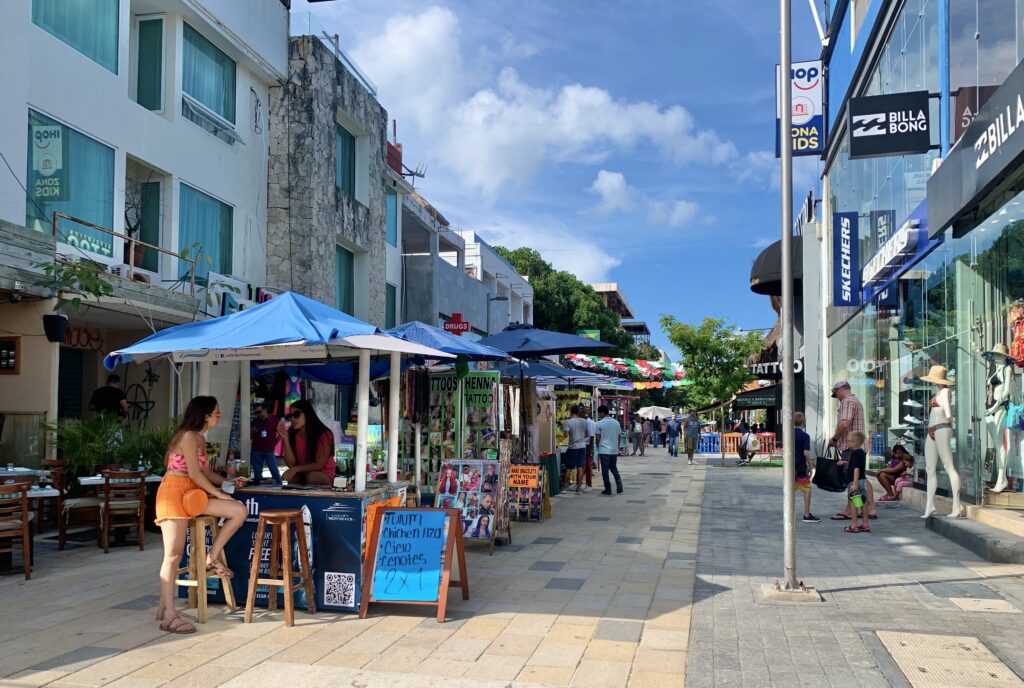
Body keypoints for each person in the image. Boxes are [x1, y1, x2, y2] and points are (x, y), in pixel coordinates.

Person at [155, 396, 247, 634]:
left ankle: (212, 557)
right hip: (174, 493)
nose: (219, 415)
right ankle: (169, 615)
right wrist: (219, 493)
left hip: (193, 495)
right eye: (216, 412)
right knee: (173, 555)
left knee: (238, 511)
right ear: (205, 414)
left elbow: (204, 472)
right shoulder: (187, 435)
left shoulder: (199, 438)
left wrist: (227, 482)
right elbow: (195, 474)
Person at [828, 380, 877, 521]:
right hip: (859, 446)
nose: (836, 397)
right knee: (862, 479)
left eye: (836, 394)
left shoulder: (847, 402)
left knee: (852, 481)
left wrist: (835, 439)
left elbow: (844, 423)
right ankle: (870, 509)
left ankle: (851, 510)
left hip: (851, 446)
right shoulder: (856, 401)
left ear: (841, 390)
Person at [278, 400, 336, 485]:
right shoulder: (292, 434)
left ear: (308, 414)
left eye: (296, 414)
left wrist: (296, 469)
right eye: (290, 416)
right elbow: (291, 465)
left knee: (312, 477)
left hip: (324, 474)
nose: (293, 419)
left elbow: (319, 465)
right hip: (303, 473)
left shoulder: (324, 434)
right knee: (289, 478)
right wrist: (286, 439)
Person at [793, 412, 818, 522]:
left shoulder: (788, 434)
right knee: (807, 489)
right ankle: (807, 514)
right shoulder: (805, 436)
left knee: (791, 488)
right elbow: (806, 453)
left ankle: (789, 512)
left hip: (790, 466)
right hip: (800, 466)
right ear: (803, 423)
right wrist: (811, 465)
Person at [843, 431, 870, 533]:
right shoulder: (861, 453)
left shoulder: (854, 453)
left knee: (853, 503)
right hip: (861, 481)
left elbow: (856, 469)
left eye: (849, 441)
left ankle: (854, 525)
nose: (847, 443)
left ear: (855, 442)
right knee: (862, 502)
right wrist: (845, 462)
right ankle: (865, 524)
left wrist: (854, 484)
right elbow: (856, 465)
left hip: (855, 482)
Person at [250, 402, 282, 485]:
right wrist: (251, 432)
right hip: (256, 449)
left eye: (259, 412)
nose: (258, 414)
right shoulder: (254, 422)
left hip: (269, 450)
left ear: (265, 410)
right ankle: (258, 487)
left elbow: (281, 433)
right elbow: (250, 436)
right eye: (256, 412)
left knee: (274, 469)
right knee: (257, 472)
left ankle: (279, 486)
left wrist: (275, 443)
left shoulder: (274, 420)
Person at [595, 405, 623, 495]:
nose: (599, 415)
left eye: (599, 413)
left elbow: (597, 438)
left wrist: (598, 447)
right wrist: (617, 447)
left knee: (605, 470)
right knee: (613, 467)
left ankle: (608, 489)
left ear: (602, 412)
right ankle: (619, 484)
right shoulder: (616, 423)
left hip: (603, 450)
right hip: (614, 450)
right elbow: (619, 437)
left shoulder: (599, 423)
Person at [563, 406, 590, 494]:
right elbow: (586, 434)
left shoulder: (568, 422)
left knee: (569, 468)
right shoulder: (584, 421)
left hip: (572, 447)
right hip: (582, 446)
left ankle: (564, 487)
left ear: (571, 412)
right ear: (578, 412)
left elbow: (566, 435)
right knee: (580, 467)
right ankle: (579, 488)